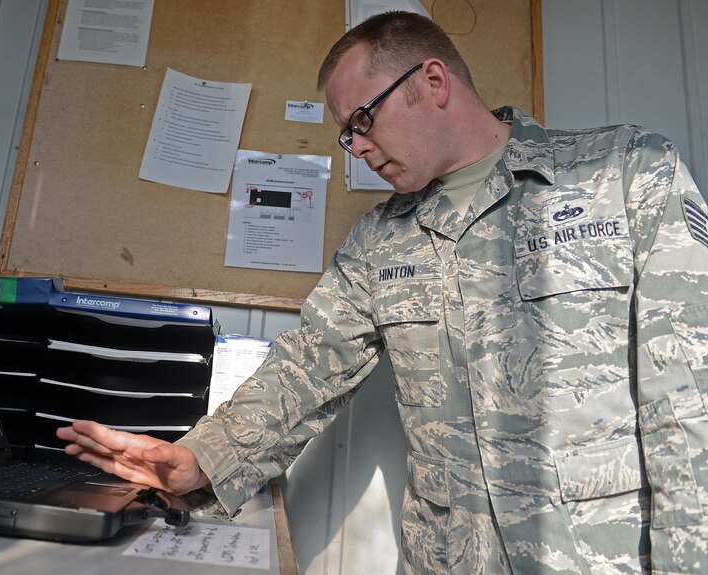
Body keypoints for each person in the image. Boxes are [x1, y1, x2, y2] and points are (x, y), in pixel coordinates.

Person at [57, 11, 708, 574]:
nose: (359, 147)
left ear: (432, 80)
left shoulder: (624, 172)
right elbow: (307, 368)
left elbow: (689, 398)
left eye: (365, 118)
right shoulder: (380, 242)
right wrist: (197, 457)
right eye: (348, 133)